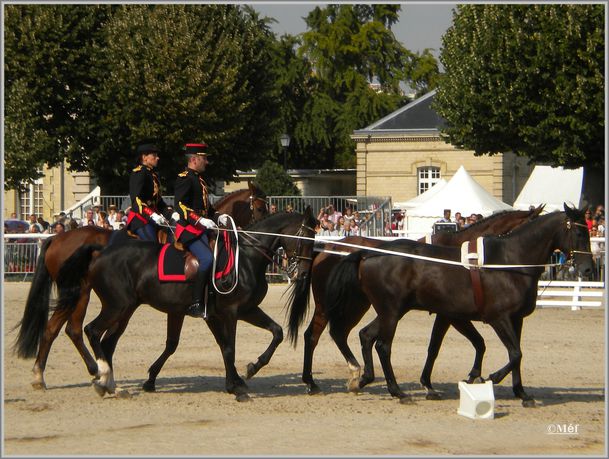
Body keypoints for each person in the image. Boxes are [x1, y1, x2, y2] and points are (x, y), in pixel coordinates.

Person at [174, 142, 229, 318]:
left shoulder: (199, 179)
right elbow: (181, 206)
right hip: (189, 229)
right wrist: (200, 220)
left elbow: (206, 208)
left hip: (201, 228)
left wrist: (218, 215)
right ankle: (196, 303)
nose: (206, 161)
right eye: (204, 158)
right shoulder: (184, 178)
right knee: (206, 259)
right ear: (194, 159)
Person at [126, 142, 170, 241]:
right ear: (144, 157)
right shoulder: (139, 172)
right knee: (153, 247)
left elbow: (158, 201)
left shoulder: (152, 174)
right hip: (141, 219)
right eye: (154, 155)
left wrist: (171, 213)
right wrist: (151, 214)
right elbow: (137, 200)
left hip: (153, 217)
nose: (157, 158)